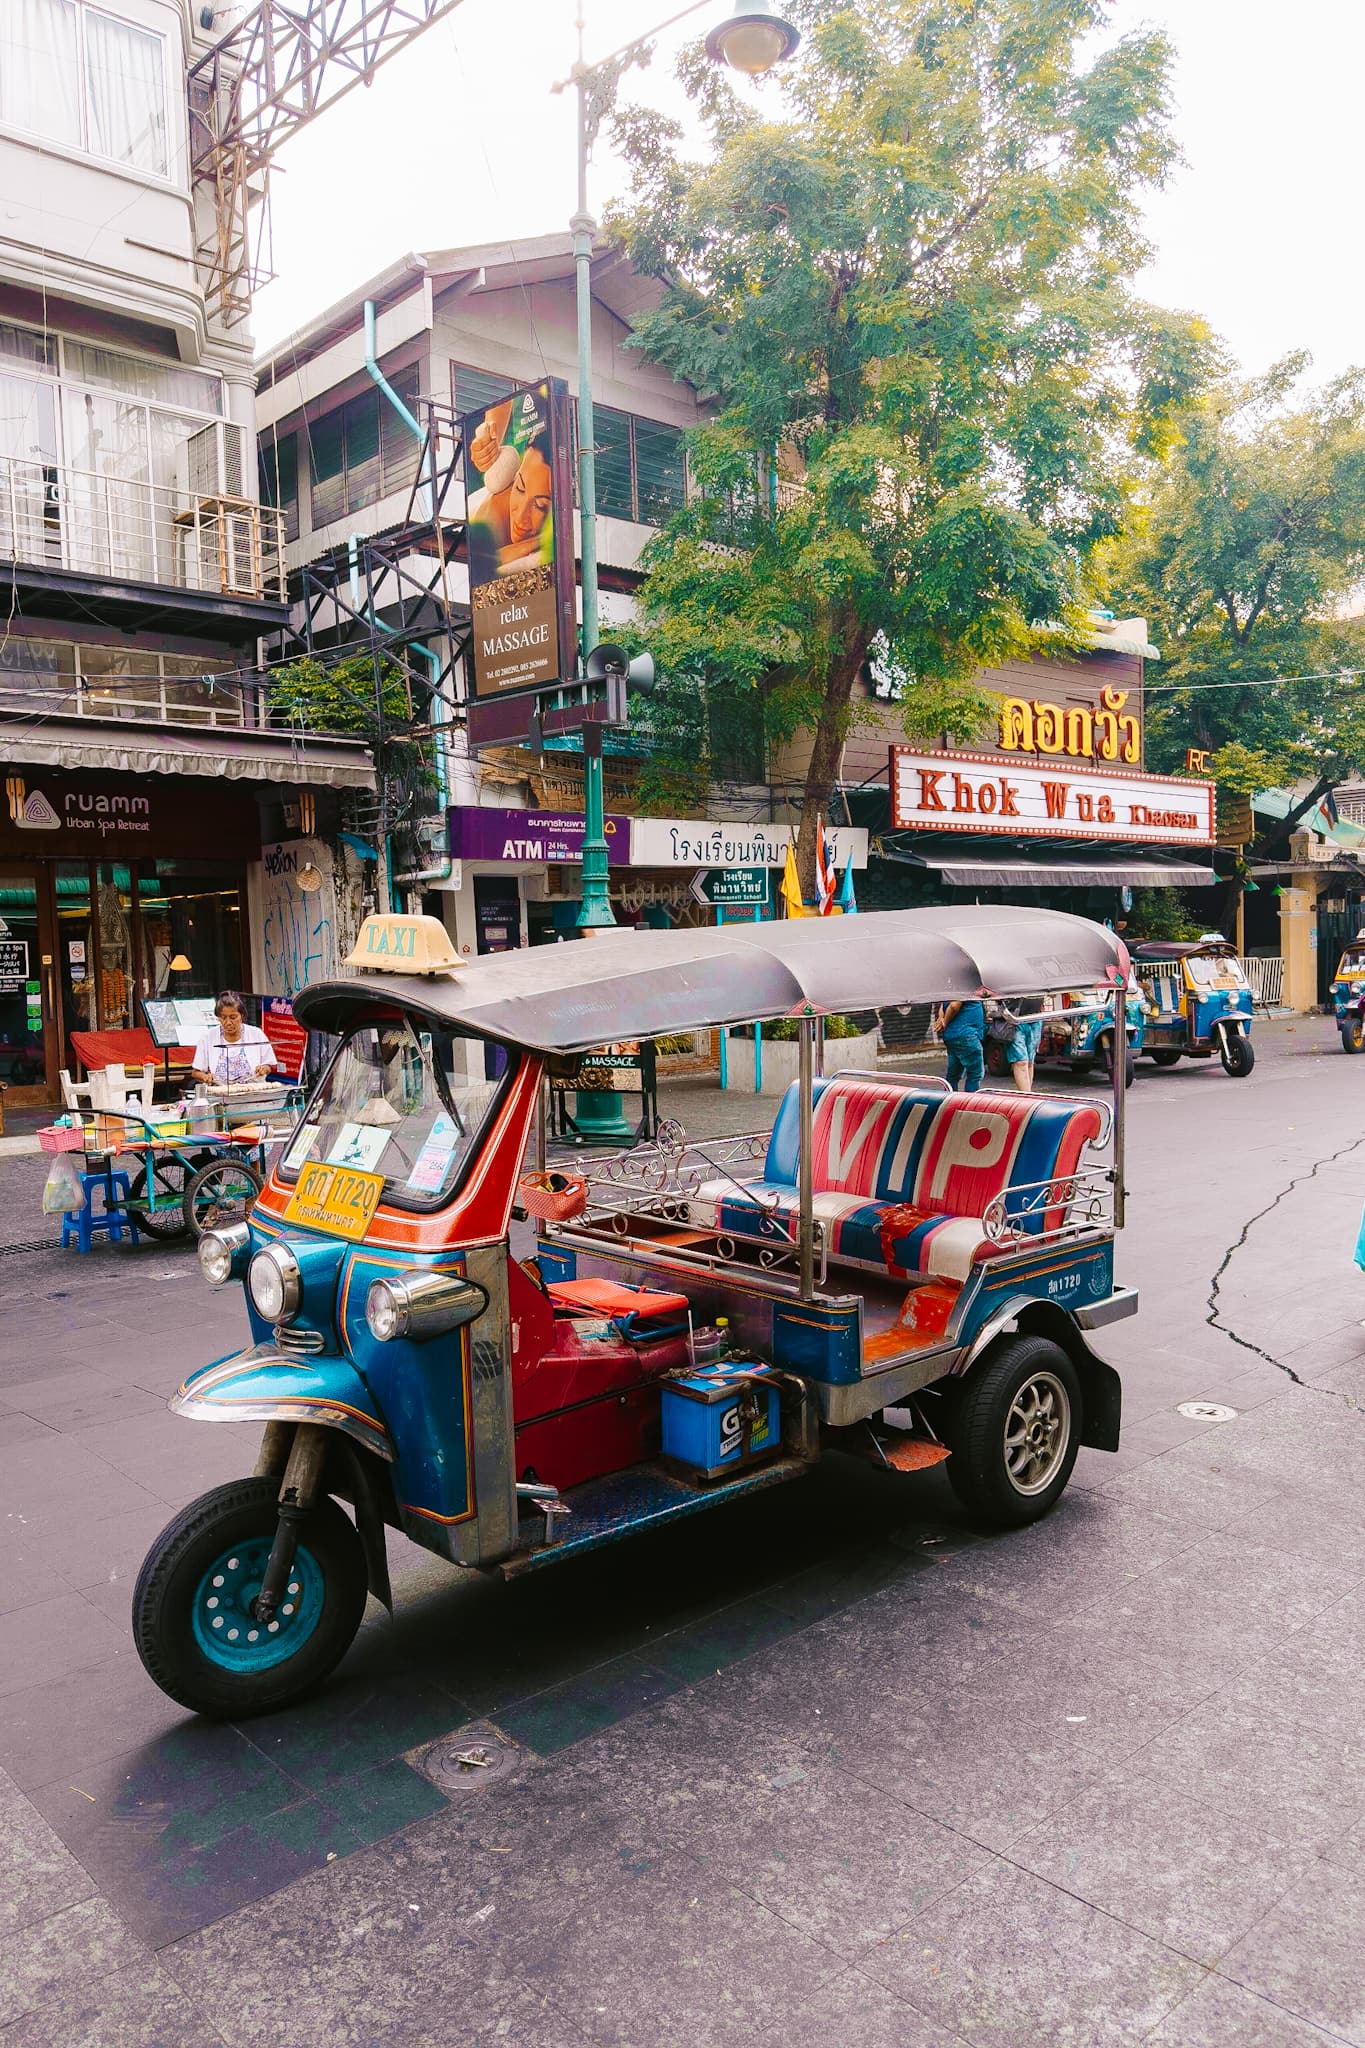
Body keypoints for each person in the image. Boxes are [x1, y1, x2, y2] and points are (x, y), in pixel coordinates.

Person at [191, 992, 274, 1087]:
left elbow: (269, 1066)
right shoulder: (208, 1037)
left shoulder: (256, 1034)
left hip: (254, 1092)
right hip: (219, 1094)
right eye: (223, 1018)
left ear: (242, 1016)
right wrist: (205, 1077)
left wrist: (263, 1069)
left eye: (233, 1017)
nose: (228, 1022)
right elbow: (195, 1072)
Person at [936, 997, 985, 1092]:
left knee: (953, 1075)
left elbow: (943, 1005)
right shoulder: (965, 986)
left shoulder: (951, 988)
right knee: (975, 1074)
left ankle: (948, 1102)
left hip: (952, 1035)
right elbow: (954, 1005)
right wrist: (945, 1022)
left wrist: (941, 1019)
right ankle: (969, 1104)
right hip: (966, 1035)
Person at [1005, 994, 1046, 1092]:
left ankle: (1028, 1095)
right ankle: (1026, 1097)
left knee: (1029, 1061)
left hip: (1035, 1016)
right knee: (1021, 1061)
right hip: (1015, 1017)